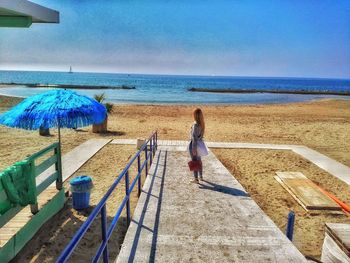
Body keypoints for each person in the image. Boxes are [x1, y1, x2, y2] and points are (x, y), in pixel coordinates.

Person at [189, 108, 205, 183]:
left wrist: (194, 149)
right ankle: (201, 176)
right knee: (199, 161)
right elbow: (200, 136)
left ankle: (196, 179)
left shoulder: (195, 125)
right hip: (199, 144)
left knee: (194, 161)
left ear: (195, 115)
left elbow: (194, 138)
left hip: (194, 145)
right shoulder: (202, 124)